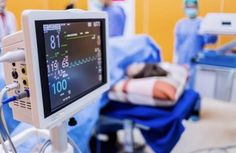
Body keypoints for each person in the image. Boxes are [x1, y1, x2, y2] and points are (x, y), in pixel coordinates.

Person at [174, 0, 217, 88]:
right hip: (181, 61)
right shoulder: (180, 24)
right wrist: (175, 59)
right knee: (181, 86)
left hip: (196, 61)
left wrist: (213, 31)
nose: (191, 9)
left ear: (197, 8)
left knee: (195, 86)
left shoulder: (203, 23)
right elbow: (177, 44)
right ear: (184, 8)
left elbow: (211, 40)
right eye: (188, 7)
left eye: (193, 7)